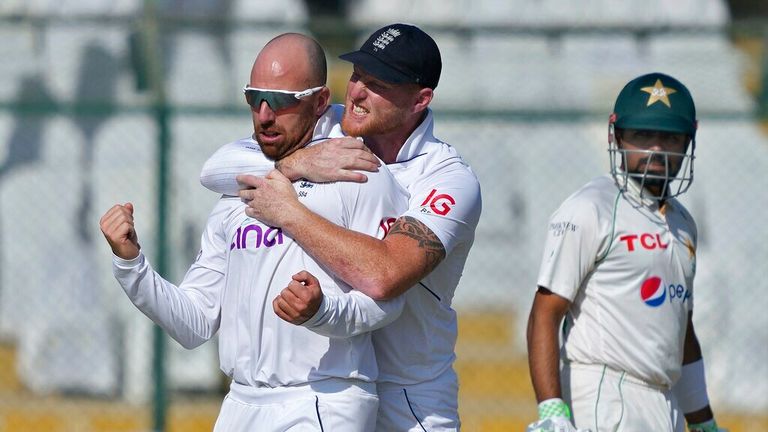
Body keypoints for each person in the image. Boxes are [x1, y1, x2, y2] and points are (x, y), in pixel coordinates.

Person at [99, 33, 409, 431]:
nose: (264, 114)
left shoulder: (359, 173)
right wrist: (131, 265)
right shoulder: (238, 191)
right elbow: (194, 322)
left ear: (318, 102)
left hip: (323, 398)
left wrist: (322, 311)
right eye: (254, 98)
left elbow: (388, 299)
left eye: (280, 101)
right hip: (241, 403)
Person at [201, 23, 482, 431]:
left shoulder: (448, 179)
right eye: (357, 75)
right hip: (335, 388)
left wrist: (290, 211)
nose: (357, 93)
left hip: (411, 399)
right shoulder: (337, 124)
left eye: (379, 83)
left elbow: (385, 275)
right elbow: (215, 170)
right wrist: (293, 165)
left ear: (420, 100)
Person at [525, 73, 726, 432]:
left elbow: (682, 333)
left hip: (665, 402)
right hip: (604, 397)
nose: (657, 150)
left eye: (670, 138)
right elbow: (545, 311)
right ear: (617, 137)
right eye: (642, 136)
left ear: (688, 141)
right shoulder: (592, 207)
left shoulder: (683, 223)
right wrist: (552, 410)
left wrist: (703, 421)